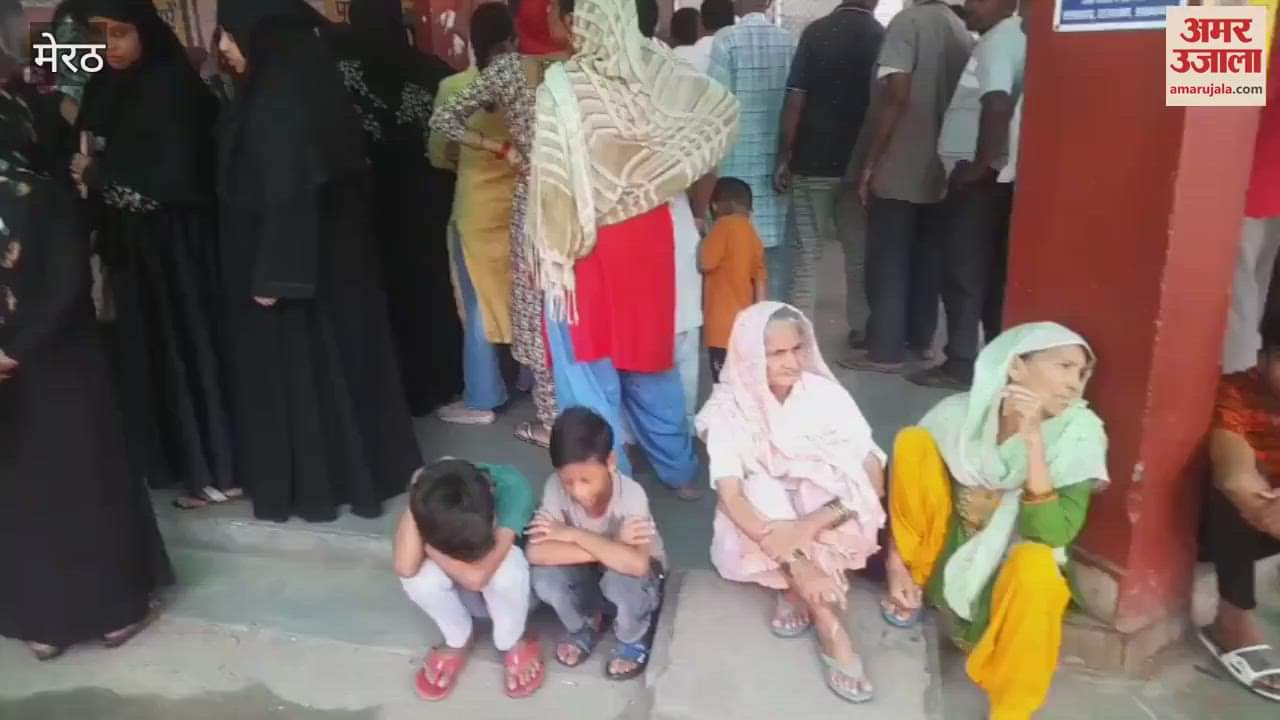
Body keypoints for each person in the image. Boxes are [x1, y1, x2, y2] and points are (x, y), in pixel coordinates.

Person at [215, 0, 422, 522]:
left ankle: (324, 485)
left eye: (230, 34)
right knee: (343, 375)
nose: (223, 48)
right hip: (330, 267)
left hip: (296, 274)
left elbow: (290, 186)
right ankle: (359, 474)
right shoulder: (301, 83)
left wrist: (273, 273)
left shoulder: (280, 99)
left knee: (312, 380)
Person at [530, 0, 738, 501]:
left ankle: (611, 489)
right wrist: (658, 177)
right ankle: (680, 470)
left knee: (587, 375)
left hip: (581, 250)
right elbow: (723, 112)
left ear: (578, 20)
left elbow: (553, 190)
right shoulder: (661, 72)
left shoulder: (562, 87)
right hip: (646, 239)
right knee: (650, 364)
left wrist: (552, 245)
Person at [0, 67, 173, 661]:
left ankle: (42, 626)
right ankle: (114, 614)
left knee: (20, 492)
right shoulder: (41, 194)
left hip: (10, 381)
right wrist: (16, 349)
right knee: (85, 480)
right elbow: (69, 283)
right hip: (60, 364)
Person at [884, 322, 1108, 720]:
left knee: (1038, 568)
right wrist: (894, 561)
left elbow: (1052, 532)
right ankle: (912, 585)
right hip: (946, 552)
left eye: (1082, 373)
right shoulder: (961, 414)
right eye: (1064, 366)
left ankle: (1012, 710)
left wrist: (1034, 441)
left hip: (1007, 574)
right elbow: (912, 489)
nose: (1075, 383)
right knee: (912, 446)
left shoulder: (1080, 434)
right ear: (1016, 366)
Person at [70, 0, 235, 510]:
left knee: (188, 350)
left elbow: (178, 177)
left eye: (120, 34)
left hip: (178, 249)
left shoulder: (173, 88)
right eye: (100, 36)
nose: (109, 46)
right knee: (147, 355)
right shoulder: (106, 86)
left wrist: (97, 176)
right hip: (131, 250)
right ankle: (166, 463)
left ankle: (214, 469)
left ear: (145, 33)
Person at [695, 302, 887, 703]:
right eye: (777, 353)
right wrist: (801, 561)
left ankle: (797, 591)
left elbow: (872, 468)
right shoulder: (729, 408)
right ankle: (828, 623)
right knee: (758, 488)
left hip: (821, 521)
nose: (793, 362)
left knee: (841, 478)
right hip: (764, 527)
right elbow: (731, 496)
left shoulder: (823, 394)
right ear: (750, 355)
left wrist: (808, 525)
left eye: (797, 349)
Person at [430, 0, 571, 449]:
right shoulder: (574, 69)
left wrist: (500, 149)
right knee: (564, 300)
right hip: (573, 199)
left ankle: (538, 410)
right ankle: (562, 399)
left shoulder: (505, 74)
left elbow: (442, 125)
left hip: (520, 201)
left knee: (516, 304)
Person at [333, 0, 463, 416]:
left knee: (388, 293)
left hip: (370, 202)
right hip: (426, 198)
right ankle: (445, 378)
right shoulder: (432, 70)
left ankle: (396, 390)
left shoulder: (338, 72)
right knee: (432, 288)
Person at [842, 0, 972, 374]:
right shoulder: (958, 27)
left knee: (889, 258)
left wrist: (871, 161)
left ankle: (884, 350)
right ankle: (920, 341)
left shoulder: (906, 24)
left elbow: (897, 92)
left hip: (903, 157)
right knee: (927, 258)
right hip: (944, 162)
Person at [909, 0, 1024, 391]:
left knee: (962, 271)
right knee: (987, 274)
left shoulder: (999, 42)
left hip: (979, 181)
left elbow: (996, 103)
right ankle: (991, 357)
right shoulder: (1006, 37)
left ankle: (960, 361)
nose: (969, 5)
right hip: (992, 178)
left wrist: (979, 165)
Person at [429, 2, 519, 427]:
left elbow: (438, 153)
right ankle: (529, 380)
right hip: (520, 204)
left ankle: (482, 396)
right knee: (524, 293)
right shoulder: (526, 84)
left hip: (476, 209)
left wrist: (470, 162)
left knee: (478, 302)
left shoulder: (454, 88)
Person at [529, 407, 666, 681]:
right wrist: (613, 544)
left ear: (611, 462)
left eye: (586, 479)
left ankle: (633, 636)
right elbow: (537, 552)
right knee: (544, 578)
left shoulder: (632, 495)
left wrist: (573, 534)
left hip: (635, 581)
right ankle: (585, 624)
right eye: (568, 481)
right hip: (593, 572)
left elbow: (637, 564)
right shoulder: (554, 487)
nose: (578, 491)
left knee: (619, 580)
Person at [394, 459, 544, 700]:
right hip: (465, 585)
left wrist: (430, 546)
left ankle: (512, 640)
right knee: (419, 576)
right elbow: (405, 566)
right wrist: (420, 495)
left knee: (507, 565)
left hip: (518, 593)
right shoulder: (433, 492)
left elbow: (477, 578)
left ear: (492, 498)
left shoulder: (513, 488)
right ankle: (457, 638)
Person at [775, 0, 883, 322]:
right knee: (858, 254)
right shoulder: (882, 37)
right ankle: (862, 329)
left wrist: (785, 155)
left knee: (806, 254)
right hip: (858, 164)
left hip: (812, 160)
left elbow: (795, 101)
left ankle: (799, 329)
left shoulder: (816, 33)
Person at [1198, 313, 1280, 702]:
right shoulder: (1237, 392)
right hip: (1221, 530)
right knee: (1237, 493)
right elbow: (1235, 475)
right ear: (1265, 359)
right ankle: (1230, 622)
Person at [708, 0, 793, 299]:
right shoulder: (789, 42)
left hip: (733, 177)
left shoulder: (725, 42)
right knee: (772, 264)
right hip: (775, 171)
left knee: (732, 267)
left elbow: (716, 112)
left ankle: (737, 334)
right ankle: (771, 331)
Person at [1223, 27, 1280, 375]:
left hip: (1245, 174)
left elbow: (1228, 101)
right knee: (1251, 282)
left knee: (1234, 288)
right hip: (1267, 178)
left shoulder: (1242, 13)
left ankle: (1231, 384)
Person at [700, 177, 766, 383]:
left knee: (723, 385)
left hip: (721, 327)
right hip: (745, 327)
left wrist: (703, 237)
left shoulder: (723, 227)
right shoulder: (751, 233)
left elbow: (705, 262)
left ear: (719, 205)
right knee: (743, 382)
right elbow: (761, 281)